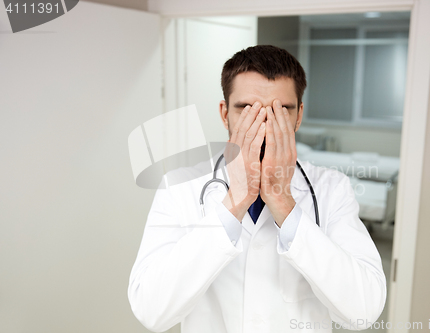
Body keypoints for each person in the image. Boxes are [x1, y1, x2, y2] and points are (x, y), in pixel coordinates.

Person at [128, 45, 386, 333]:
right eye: (246, 110)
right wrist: (234, 202)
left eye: (281, 111)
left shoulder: (332, 189)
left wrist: (283, 203)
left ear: (299, 115)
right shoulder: (179, 187)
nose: (263, 124)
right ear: (225, 114)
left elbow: (364, 310)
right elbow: (150, 311)